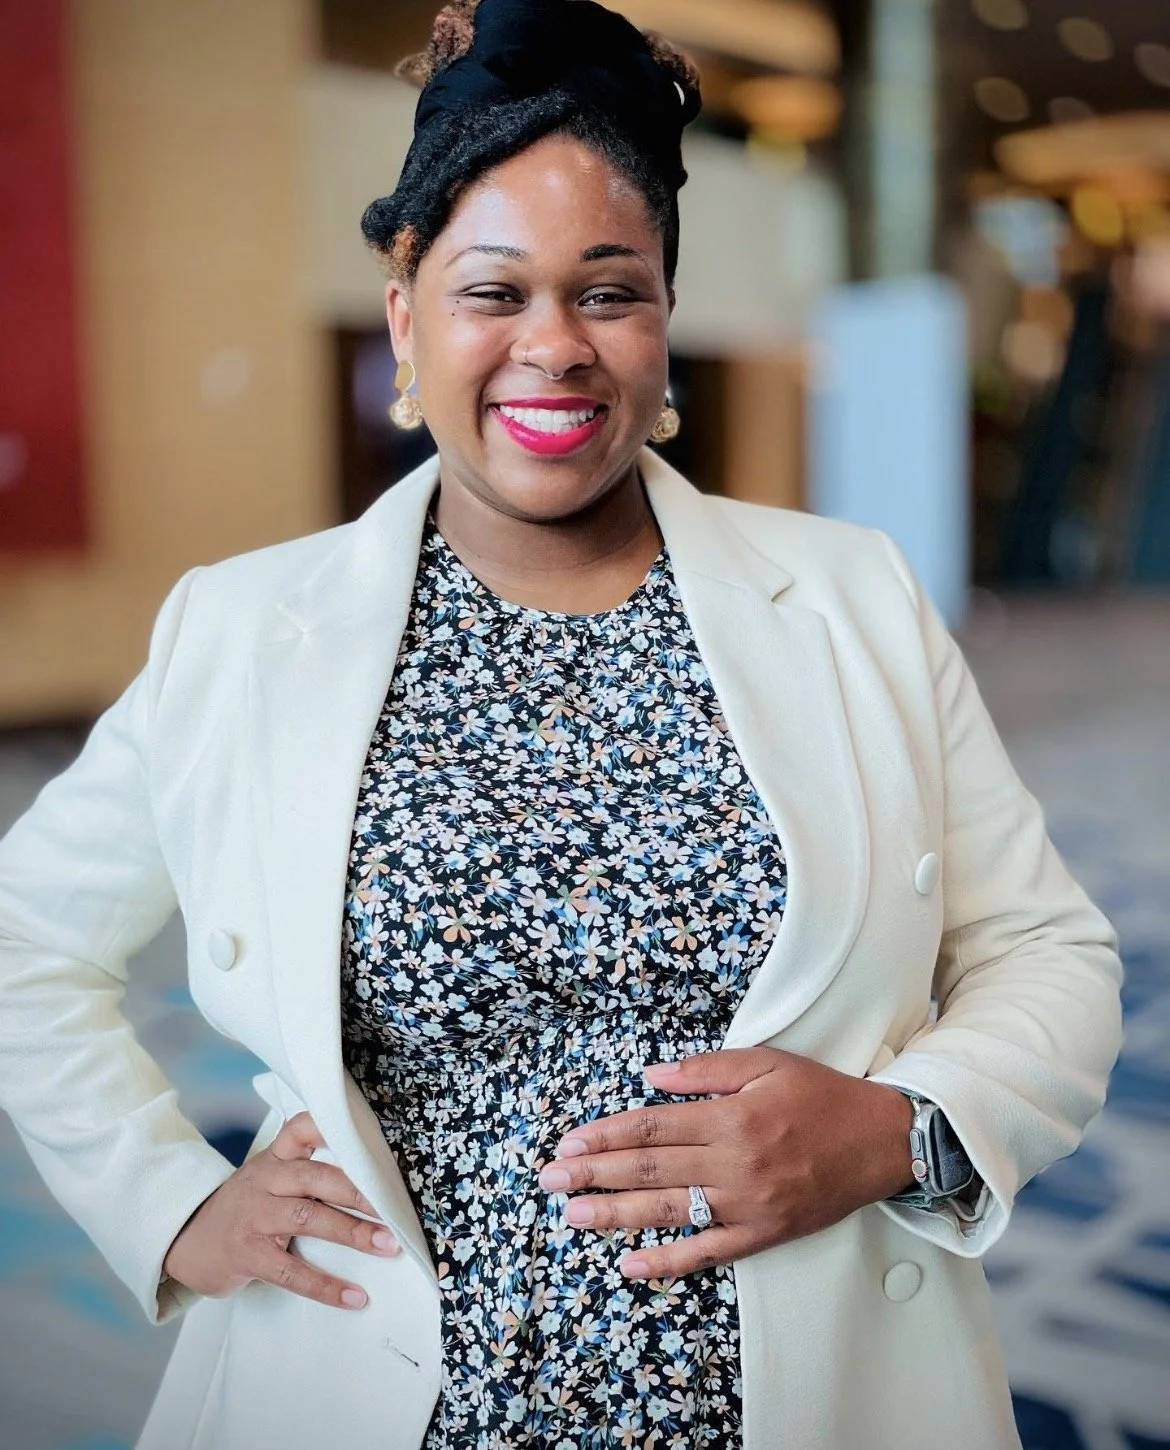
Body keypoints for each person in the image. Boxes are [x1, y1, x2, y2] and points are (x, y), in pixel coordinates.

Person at [0, 2, 1122, 1447]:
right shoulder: (242, 629)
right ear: (405, 320)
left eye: (608, 292)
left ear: (664, 322)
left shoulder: (852, 599)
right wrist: (170, 1202)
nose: (554, 346)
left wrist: (893, 1130)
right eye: (493, 291)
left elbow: (1049, 951)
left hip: (802, 1390)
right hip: (376, 1397)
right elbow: (24, 941)